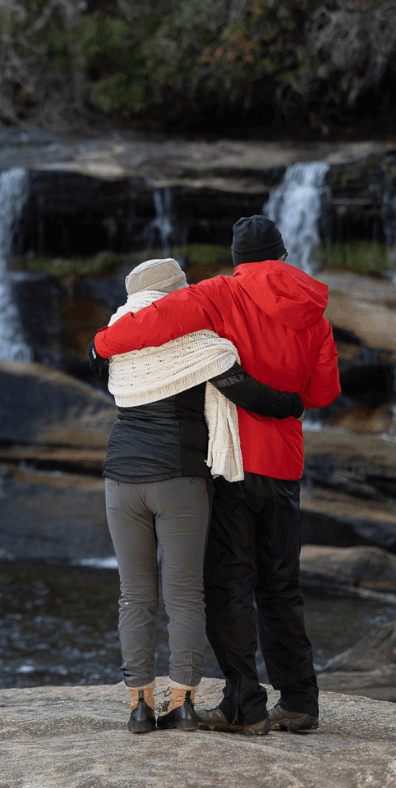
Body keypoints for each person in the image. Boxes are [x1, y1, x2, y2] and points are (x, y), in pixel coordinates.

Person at [91, 216, 341, 735]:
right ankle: (299, 701)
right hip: (284, 464)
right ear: (283, 254)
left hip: (230, 461)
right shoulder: (314, 312)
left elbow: (151, 323)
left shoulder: (220, 292)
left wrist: (101, 344)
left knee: (229, 585)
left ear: (236, 259)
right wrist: (287, 398)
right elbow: (322, 393)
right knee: (281, 586)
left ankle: (245, 706)